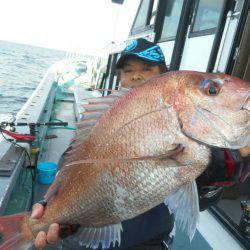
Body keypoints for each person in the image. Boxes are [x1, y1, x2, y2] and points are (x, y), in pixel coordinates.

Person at [32, 38, 250, 249]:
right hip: (85, 236)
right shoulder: (105, 120)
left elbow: (199, 202)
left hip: (148, 242)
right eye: (128, 70)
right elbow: (72, 164)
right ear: (120, 78)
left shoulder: (200, 138)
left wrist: (211, 182)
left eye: (146, 69)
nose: (136, 76)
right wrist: (56, 211)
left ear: (162, 76)